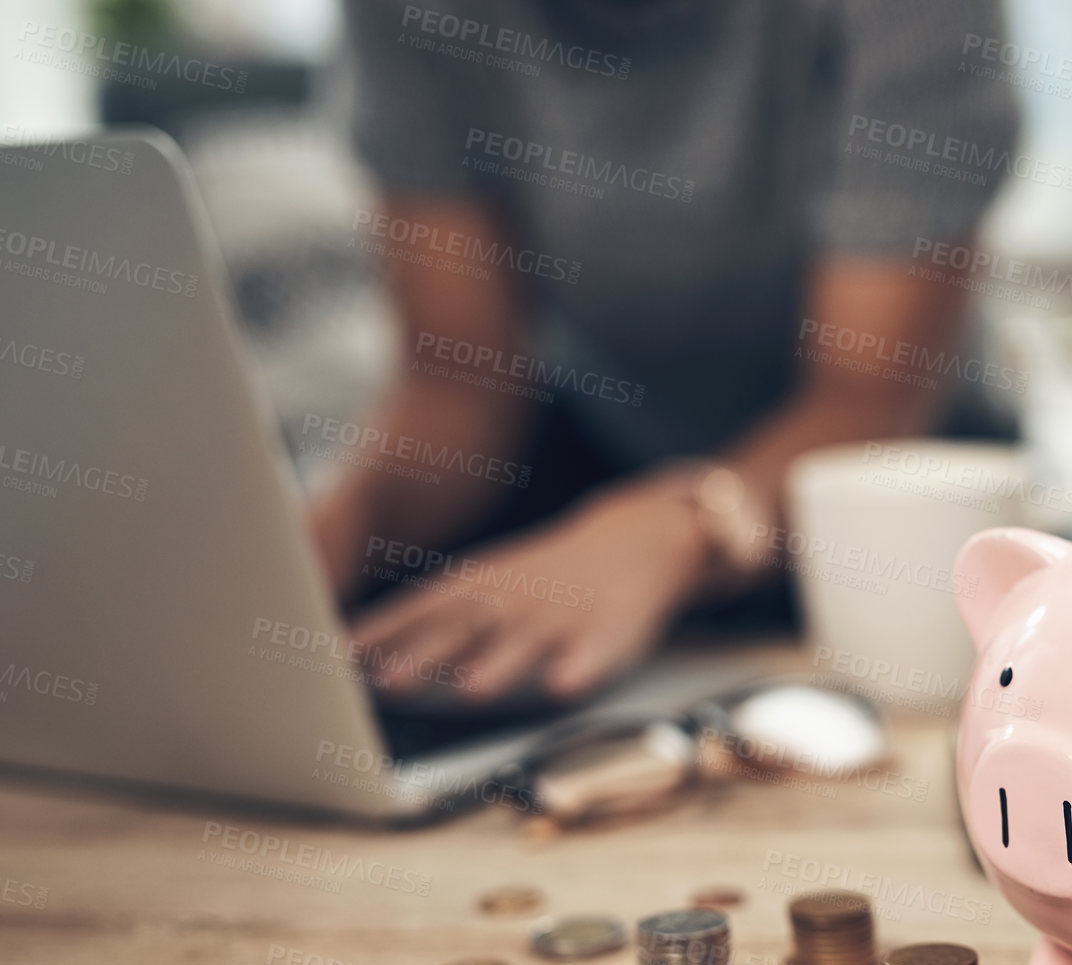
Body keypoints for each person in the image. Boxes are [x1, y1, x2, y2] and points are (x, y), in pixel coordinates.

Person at [314, 0, 1018, 702]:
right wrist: (340, 524)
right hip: (589, 485)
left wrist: (683, 527)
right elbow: (457, 380)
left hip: (899, 500)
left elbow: (867, 397)